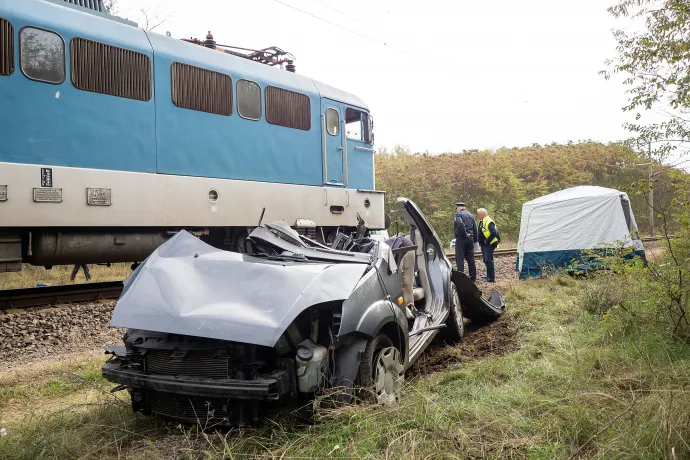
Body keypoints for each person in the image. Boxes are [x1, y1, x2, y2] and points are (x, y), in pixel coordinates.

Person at [385, 235, 416, 320]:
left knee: (405, 284)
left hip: (405, 247)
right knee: (403, 285)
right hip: (401, 248)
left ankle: (410, 312)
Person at [454, 201, 477, 282]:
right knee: (471, 258)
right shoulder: (471, 215)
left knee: (460, 259)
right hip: (471, 238)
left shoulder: (458, 214)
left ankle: (461, 279)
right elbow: (475, 228)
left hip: (461, 238)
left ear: (458, 208)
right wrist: (475, 240)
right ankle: (473, 278)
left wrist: (464, 233)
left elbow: (460, 224)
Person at [477, 208, 500, 283]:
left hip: (489, 244)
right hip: (484, 245)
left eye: (478, 214)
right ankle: (488, 276)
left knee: (489, 260)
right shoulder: (482, 221)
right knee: (485, 260)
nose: (477, 215)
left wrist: (487, 240)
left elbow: (494, 232)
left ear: (481, 214)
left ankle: (491, 278)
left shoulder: (489, 221)